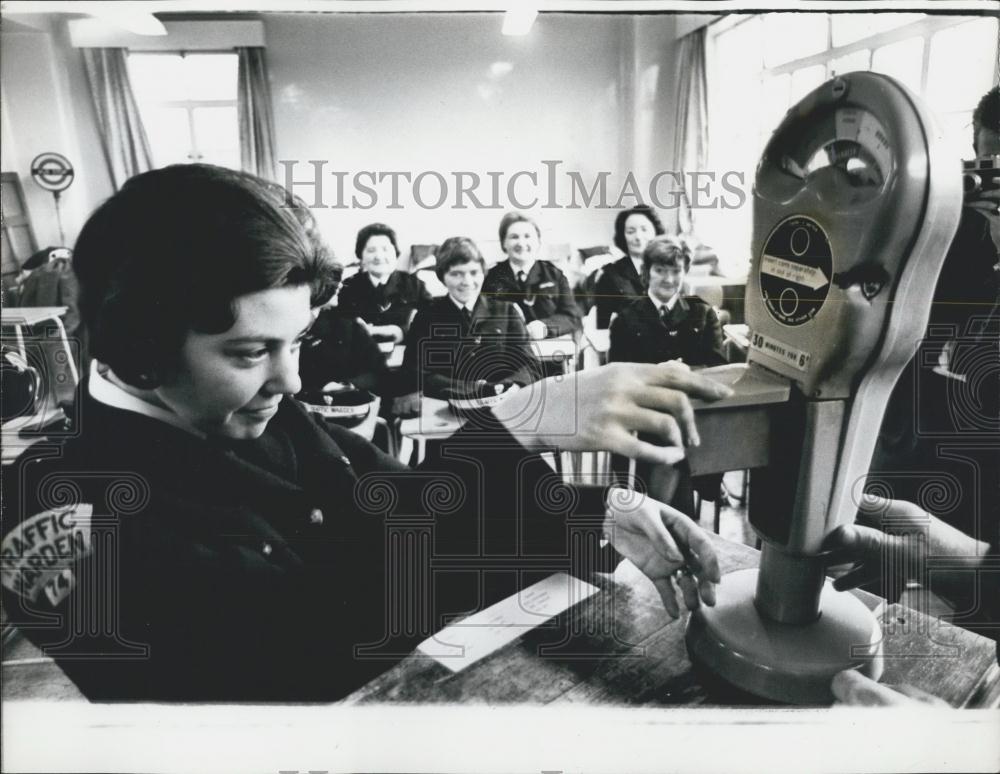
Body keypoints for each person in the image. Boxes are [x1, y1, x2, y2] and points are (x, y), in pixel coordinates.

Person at [0, 164, 733, 702]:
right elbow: (315, 654)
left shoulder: (250, 406)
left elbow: (411, 507)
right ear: (139, 345)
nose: (291, 381)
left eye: (295, 342)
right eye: (251, 352)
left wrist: (593, 514)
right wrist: (517, 422)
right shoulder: (48, 509)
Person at [827, 86, 1000, 706]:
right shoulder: (952, 225)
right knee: (872, 588)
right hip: (912, 436)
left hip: (982, 481)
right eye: (990, 162)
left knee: (973, 649)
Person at [608, 235, 728, 514]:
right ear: (647, 272)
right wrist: (656, 374)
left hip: (694, 415)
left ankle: (663, 518)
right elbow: (616, 378)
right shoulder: (626, 318)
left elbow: (717, 368)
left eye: (676, 271)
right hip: (644, 417)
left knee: (679, 443)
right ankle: (674, 520)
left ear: (685, 272)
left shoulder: (702, 313)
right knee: (669, 444)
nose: (668, 279)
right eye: (660, 270)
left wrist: (686, 371)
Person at [397, 236, 543, 404]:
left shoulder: (507, 311)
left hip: (504, 403)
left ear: (483, 273)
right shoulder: (426, 317)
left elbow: (530, 365)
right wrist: (474, 389)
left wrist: (512, 386)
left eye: (474, 273)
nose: (467, 282)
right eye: (456, 274)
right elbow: (413, 372)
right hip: (447, 405)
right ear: (442, 277)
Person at [482, 212, 581, 340]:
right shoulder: (490, 277)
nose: (521, 243)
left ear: (538, 241)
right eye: (514, 237)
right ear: (503, 243)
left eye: (527, 236)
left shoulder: (554, 275)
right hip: (507, 348)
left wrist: (545, 327)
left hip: (549, 348)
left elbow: (572, 317)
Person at [336, 222, 431, 343]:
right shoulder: (347, 287)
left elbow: (433, 322)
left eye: (385, 249)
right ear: (361, 257)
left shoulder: (415, 285)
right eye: (371, 250)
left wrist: (401, 331)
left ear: (396, 253)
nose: (379, 256)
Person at [594, 205, 665, 328]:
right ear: (623, 236)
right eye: (631, 231)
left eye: (644, 229)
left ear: (656, 232)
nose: (638, 237)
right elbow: (602, 326)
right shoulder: (609, 275)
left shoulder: (669, 271)